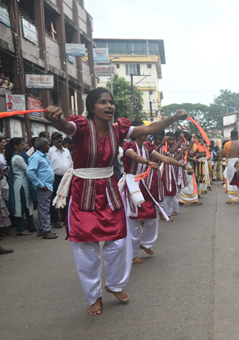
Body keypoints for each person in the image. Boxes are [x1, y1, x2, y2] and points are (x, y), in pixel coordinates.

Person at [46, 87, 189, 315]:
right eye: (102, 102)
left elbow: (150, 127)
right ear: (91, 107)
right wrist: (57, 117)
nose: (109, 105)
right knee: (86, 249)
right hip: (83, 191)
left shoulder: (118, 129)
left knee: (119, 243)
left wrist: (174, 118)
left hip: (109, 190)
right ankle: (94, 296)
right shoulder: (82, 127)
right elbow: (65, 126)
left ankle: (114, 285)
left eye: (111, 102)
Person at [123, 122, 192, 264]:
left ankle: (145, 243)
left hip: (144, 184)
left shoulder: (147, 147)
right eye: (143, 129)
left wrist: (183, 165)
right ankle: (132, 255)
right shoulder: (129, 146)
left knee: (152, 216)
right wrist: (148, 162)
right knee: (134, 222)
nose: (147, 132)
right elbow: (134, 157)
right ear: (135, 132)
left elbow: (166, 159)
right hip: (131, 185)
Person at [26, 138, 57, 239]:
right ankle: (46, 231)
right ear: (43, 146)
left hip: (47, 185)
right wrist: (39, 184)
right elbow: (30, 171)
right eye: (47, 145)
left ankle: (41, 229)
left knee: (42, 208)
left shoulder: (43, 156)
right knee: (44, 209)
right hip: (43, 187)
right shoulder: (36, 157)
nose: (49, 147)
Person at [5, 138, 36, 236]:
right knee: (21, 206)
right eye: (22, 145)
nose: (24, 146)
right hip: (21, 184)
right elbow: (27, 169)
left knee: (27, 205)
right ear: (16, 146)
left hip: (24, 183)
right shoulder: (17, 158)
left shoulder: (18, 156)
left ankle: (31, 225)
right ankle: (20, 229)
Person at [48, 132, 73, 229]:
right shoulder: (50, 151)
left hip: (67, 176)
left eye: (60, 138)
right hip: (56, 177)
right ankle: (55, 220)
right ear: (53, 141)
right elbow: (48, 164)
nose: (59, 140)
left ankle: (66, 218)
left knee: (66, 197)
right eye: (57, 138)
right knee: (56, 197)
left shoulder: (66, 151)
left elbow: (70, 163)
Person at [223, 130, 239, 204]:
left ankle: (231, 198)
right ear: (238, 136)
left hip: (231, 162)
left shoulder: (227, 144)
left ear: (231, 136)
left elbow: (224, 154)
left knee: (230, 179)